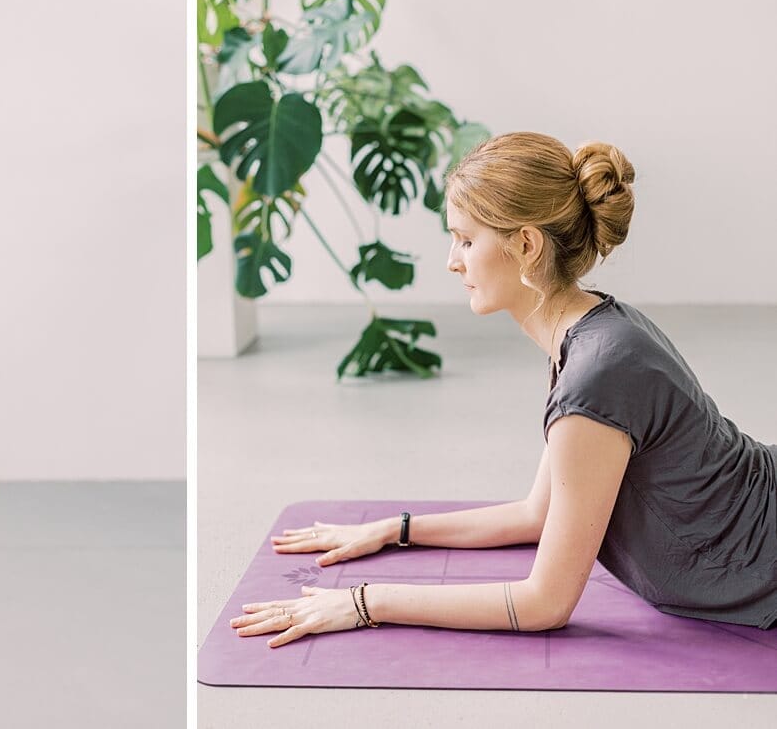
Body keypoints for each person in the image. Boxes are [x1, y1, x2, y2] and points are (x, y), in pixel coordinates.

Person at [232, 132, 777, 647]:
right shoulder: (592, 331)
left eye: (466, 239)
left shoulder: (597, 374)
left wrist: (363, 603)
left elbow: (543, 604)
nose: (453, 261)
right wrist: (393, 530)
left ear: (526, 244)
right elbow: (538, 514)